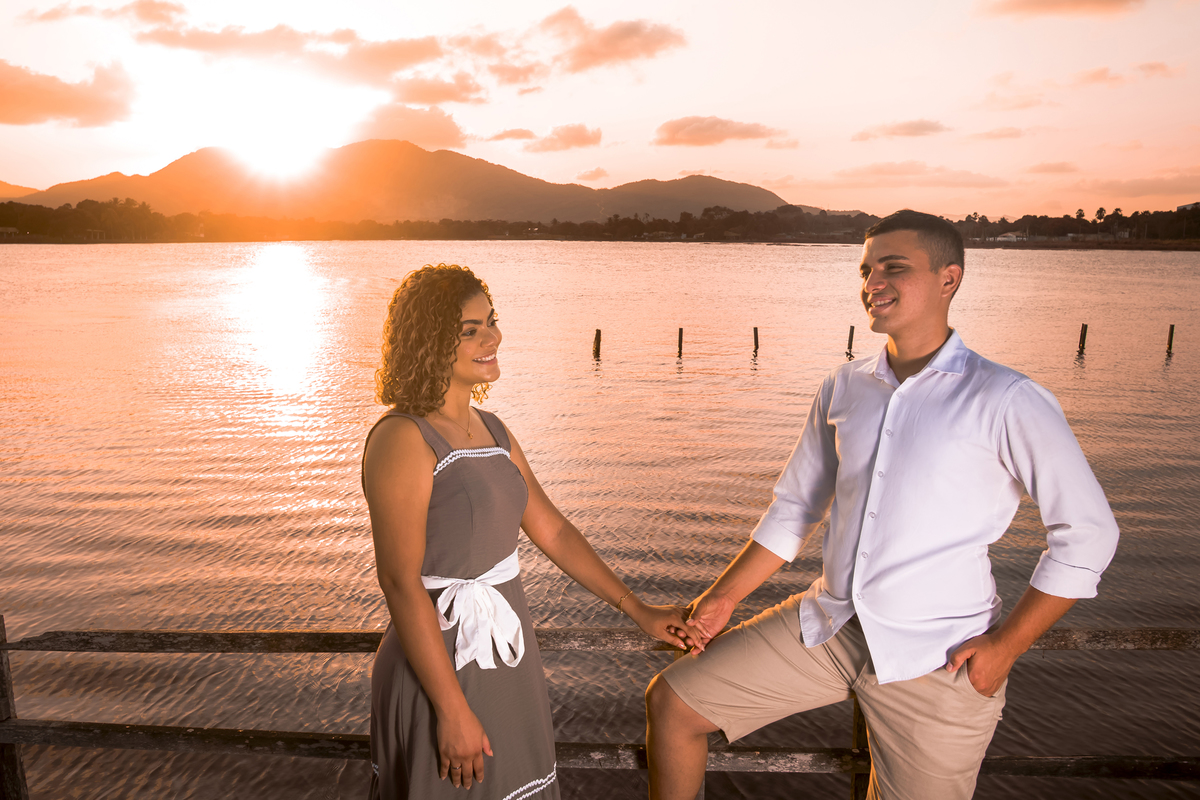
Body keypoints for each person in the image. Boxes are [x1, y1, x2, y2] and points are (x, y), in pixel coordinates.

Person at [645, 210, 1120, 800]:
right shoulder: (844, 386)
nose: (872, 282)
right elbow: (795, 507)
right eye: (866, 269)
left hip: (940, 657)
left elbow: (1089, 533)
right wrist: (722, 598)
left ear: (950, 278)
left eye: (894, 268)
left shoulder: (1007, 398)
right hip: (831, 625)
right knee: (675, 702)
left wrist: (1005, 649)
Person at [362, 263, 687, 800]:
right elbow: (399, 583)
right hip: (440, 666)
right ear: (428, 341)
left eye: (491, 321)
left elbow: (553, 531)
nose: (494, 336)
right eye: (471, 330)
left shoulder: (494, 430)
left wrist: (639, 610)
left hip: (506, 655)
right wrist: (451, 709)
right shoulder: (402, 437)